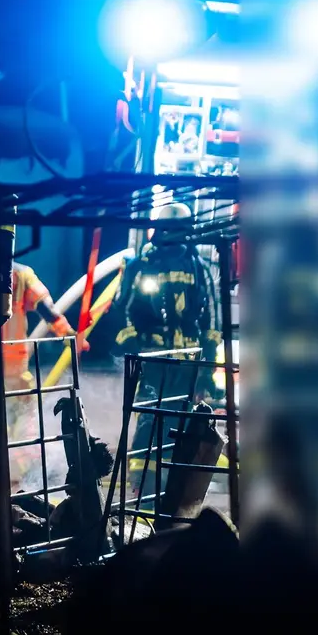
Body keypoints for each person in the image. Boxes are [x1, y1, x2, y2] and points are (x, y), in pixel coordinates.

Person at [116, 201, 223, 481]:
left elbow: (211, 321)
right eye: (169, 229)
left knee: (180, 419)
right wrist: (135, 349)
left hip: (188, 361)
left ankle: (171, 481)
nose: (174, 236)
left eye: (179, 230)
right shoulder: (140, 267)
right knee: (149, 416)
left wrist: (207, 368)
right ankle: (142, 482)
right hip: (154, 360)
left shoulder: (199, 269)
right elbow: (123, 311)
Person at [0, 261, 79, 484]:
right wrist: (68, 334)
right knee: (24, 413)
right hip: (12, 362)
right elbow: (46, 308)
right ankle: (31, 465)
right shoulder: (21, 274)